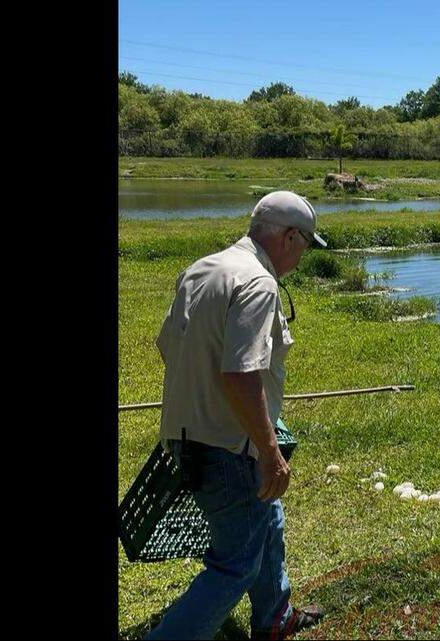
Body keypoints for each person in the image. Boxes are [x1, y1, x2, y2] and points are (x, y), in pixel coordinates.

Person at [146, 191, 327, 640]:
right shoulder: (259, 284)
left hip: (187, 435)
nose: (302, 256)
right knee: (235, 565)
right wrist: (268, 449)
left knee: (269, 516)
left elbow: (168, 345)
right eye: (305, 245)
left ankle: (274, 617)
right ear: (289, 237)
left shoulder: (201, 269)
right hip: (229, 447)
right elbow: (241, 375)